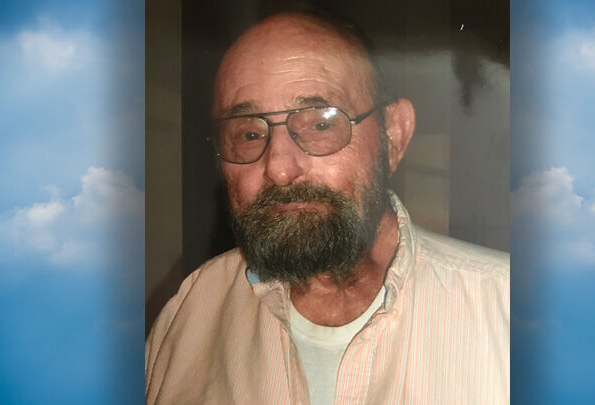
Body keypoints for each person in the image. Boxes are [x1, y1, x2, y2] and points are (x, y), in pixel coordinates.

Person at [145, 11, 509, 405]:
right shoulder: (189, 311)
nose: (279, 169)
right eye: (248, 134)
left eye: (321, 124)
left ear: (394, 134)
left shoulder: (509, 313)